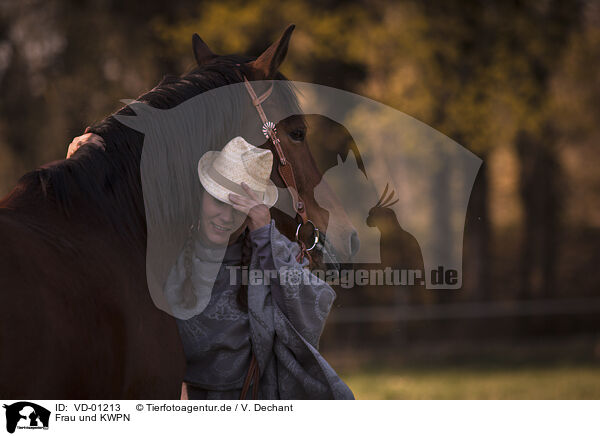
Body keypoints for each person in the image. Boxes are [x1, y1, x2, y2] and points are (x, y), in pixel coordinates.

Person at [163, 136, 354, 400]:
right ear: (201, 197)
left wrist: (265, 234)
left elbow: (312, 311)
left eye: (238, 208)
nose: (226, 217)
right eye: (219, 201)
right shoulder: (170, 254)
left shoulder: (270, 252)